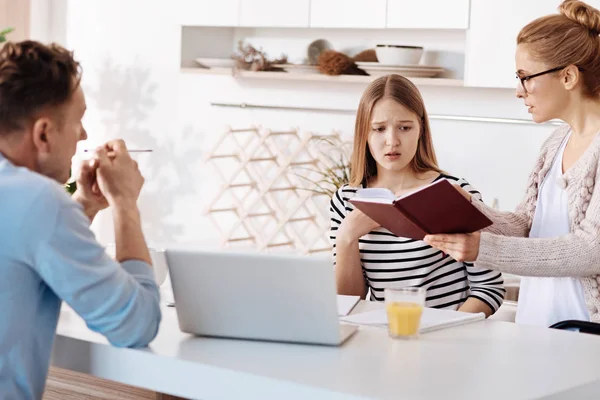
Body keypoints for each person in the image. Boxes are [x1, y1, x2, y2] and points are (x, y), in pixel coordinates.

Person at [0, 41, 161, 399]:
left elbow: (22, 250)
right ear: (43, 133)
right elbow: (136, 324)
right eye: (77, 120)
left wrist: (83, 206)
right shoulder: (39, 201)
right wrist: (125, 204)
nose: (84, 135)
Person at [424, 0, 600, 327]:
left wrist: (484, 249)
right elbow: (526, 225)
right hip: (538, 325)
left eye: (525, 77)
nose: (519, 92)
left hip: (586, 335)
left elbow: (591, 250)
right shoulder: (554, 144)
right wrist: (470, 211)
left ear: (568, 77)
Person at [330, 74, 505, 316]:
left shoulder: (454, 193)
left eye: (404, 127)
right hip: (385, 340)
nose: (392, 141)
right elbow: (349, 303)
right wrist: (347, 236)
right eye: (379, 129)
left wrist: (445, 331)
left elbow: (489, 288)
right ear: (364, 134)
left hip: (450, 343)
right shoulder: (345, 200)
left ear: (420, 129)